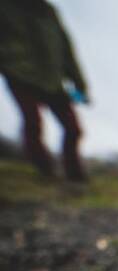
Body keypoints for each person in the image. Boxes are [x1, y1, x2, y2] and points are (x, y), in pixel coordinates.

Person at [0, 0, 89, 182]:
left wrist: (79, 85)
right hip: (20, 74)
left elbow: (66, 49)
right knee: (33, 122)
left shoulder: (49, 12)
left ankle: (74, 174)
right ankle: (46, 170)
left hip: (52, 79)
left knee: (73, 129)